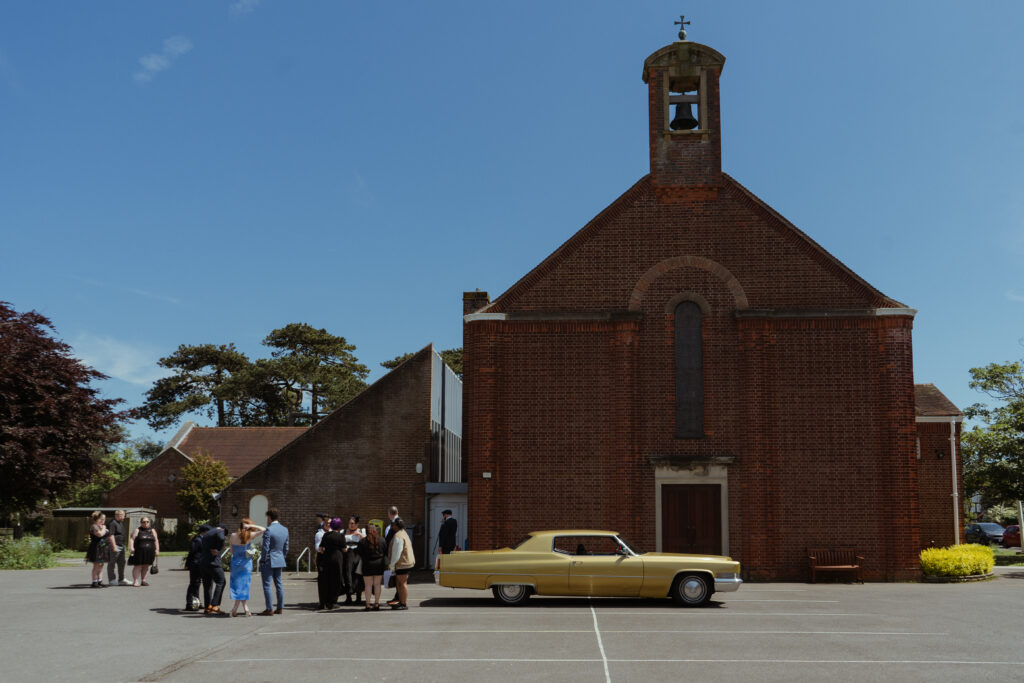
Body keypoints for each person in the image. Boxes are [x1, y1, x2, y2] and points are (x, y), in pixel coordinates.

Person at [228, 518, 266, 617]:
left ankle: (240, 608)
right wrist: (252, 526)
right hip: (246, 564)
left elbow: (231, 551)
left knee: (236, 585)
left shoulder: (232, 535)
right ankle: (241, 608)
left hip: (235, 563)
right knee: (244, 585)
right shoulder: (249, 535)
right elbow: (264, 529)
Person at [258, 507, 289, 616]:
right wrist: (282, 557)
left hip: (269, 559)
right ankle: (280, 607)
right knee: (279, 584)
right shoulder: (285, 529)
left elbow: (265, 547)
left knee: (267, 585)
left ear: (270, 517)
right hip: (279, 558)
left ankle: (269, 608)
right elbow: (286, 547)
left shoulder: (269, 530)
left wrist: (262, 559)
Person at [356, 523, 387, 610]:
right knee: (377, 585)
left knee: (368, 585)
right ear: (375, 530)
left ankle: (368, 604)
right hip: (379, 564)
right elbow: (385, 551)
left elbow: (359, 553)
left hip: (367, 564)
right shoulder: (382, 540)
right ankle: (376, 604)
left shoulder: (363, 541)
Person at [316, 518, 346, 610]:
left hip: (327, 558)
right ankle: (332, 602)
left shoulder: (326, 535)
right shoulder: (341, 536)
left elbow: (320, 549)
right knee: (336, 580)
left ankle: (324, 601)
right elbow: (344, 549)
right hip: (337, 559)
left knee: (326, 580)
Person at [387, 517, 415, 610]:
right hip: (405, 562)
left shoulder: (398, 536)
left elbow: (396, 553)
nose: (392, 527)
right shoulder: (403, 533)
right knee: (399, 583)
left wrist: (391, 565)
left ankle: (403, 604)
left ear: (396, 526)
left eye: (393, 525)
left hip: (403, 564)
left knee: (402, 583)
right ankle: (400, 601)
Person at [200, 524, 228, 614]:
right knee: (221, 582)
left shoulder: (207, 534)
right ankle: (215, 605)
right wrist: (217, 549)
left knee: (207, 585)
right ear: (223, 530)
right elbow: (221, 538)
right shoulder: (220, 531)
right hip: (214, 563)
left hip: (204, 562)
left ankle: (207, 606)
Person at [184, 524, 211, 611]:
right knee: (193, 584)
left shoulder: (204, 540)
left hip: (201, 564)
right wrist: (187, 563)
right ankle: (189, 604)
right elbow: (192, 552)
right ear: (204, 532)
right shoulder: (197, 540)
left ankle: (197, 603)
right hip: (195, 564)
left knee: (198, 584)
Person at [85, 511, 116, 588]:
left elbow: (109, 535)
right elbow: (100, 534)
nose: (103, 520)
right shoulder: (94, 526)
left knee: (101, 565)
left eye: (104, 519)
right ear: (96, 519)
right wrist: (105, 528)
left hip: (104, 548)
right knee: (96, 565)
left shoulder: (102, 526)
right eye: (101, 519)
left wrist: (113, 546)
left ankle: (100, 581)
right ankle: (94, 582)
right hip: (96, 548)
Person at [128, 516, 159, 587]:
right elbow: (132, 539)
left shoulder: (152, 530)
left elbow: (156, 540)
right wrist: (131, 548)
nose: (146, 523)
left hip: (150, 551)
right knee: (138, 566)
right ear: (141, 523)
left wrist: (157, 549)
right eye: (144, 522)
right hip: (139, 551)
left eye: (147, 522)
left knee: (146, 566)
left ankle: (143, 580)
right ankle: (135, 581)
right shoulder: (137, 530)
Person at [341, 515, 364, 604]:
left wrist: (361, 536)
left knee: (358, 575)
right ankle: (348, 596)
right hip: (346, 555)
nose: (350, 525)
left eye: (352, 523)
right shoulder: (342, 532)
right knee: (347, 574)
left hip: (357, 555)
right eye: (349, 523)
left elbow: (366, 543)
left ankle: (358, 597)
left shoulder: (362, 532)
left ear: (357, 524)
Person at [106, 510, 128, 586]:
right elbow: (111, 535)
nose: (124, 517)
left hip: (121, 546)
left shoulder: (120, 523)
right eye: (123, 515)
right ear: (118, 515)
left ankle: (121, 579)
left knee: (122, 563)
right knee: (112, 563)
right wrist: (114, 546)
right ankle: (112, 580)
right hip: (115, 546)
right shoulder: (113, 523)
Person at [383, 506, 400, 605]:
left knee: (398, 578)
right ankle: (397, 597)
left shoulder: (395, 524)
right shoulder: (398, 522)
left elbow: (389, 540)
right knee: (398, 577)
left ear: (390, 513)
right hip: (395, 553)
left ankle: (398, 598)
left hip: (394, 554)